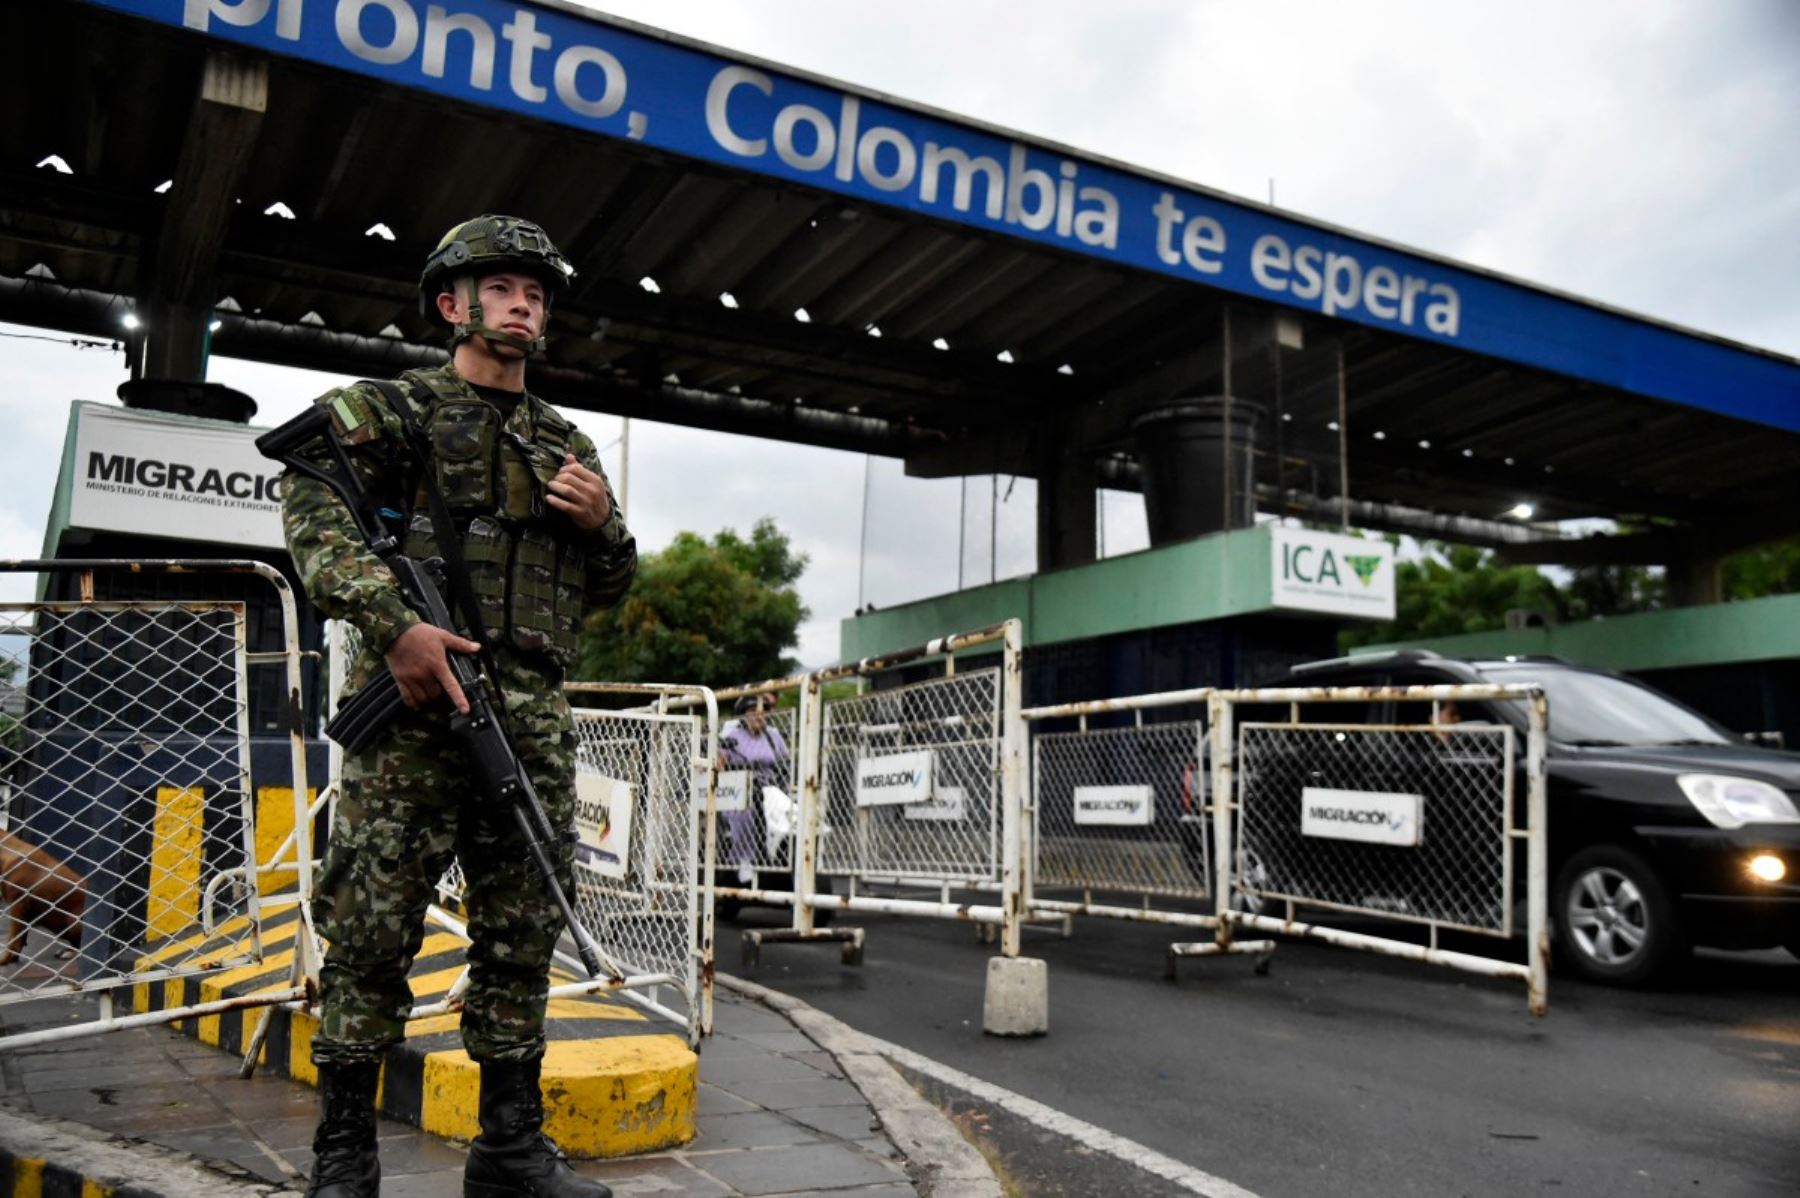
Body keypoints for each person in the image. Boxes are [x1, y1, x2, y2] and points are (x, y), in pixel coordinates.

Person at [280, 214, 633, 1198]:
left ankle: (510, 1150)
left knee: (520, 931)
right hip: (411, 704)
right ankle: (345, 1157)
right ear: (453, 304)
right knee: (370, 924)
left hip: (529, 719)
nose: (525, 302)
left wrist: (604, 528)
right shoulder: (389, 412)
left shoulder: (565, 444)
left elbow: (605, 589)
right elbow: (314, 523)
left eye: (537, 291)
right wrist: (397, 627)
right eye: (503, 286)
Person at [718, 693, 789, 881]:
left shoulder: (773, 735)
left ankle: (786, 857)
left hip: (771, 790)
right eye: (752, 712)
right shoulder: (733, 736)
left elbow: (785, 762)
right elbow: (720, 763)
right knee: (744, 812)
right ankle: (745, 859)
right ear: (742, 715)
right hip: (740, 792)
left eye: (762, 712)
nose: (758, 716)